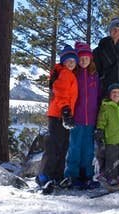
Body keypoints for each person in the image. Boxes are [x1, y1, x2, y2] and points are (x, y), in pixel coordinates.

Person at [36, 44, 79, 194]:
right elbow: (61, 93)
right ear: (63, 62)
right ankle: (43, 176)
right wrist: (66, 111)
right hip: (58, 115)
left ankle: (57, 176)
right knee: (54, 147)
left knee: (62, 147)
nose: (71, 63)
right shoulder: (64, 73)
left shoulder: (68, 74)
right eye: (68, 61)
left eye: (73, 61)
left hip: (62, 115)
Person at [61, 42, 101, 190]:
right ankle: (72, 176)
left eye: (87, 58)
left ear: (91, 60)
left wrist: (98, 117)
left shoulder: (94, 76)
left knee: (88, 149)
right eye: (81, 58)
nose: (84, 61)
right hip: (76, 119)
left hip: (90, 119)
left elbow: (98, 98)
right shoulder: (73, 75)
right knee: (75, 147)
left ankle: (87, 175)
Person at [93, 17, 119, 101]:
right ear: (110, 30)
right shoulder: (100, 49)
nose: (117, 32)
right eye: (114, 29)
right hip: (106, 91)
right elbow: (94, 71)